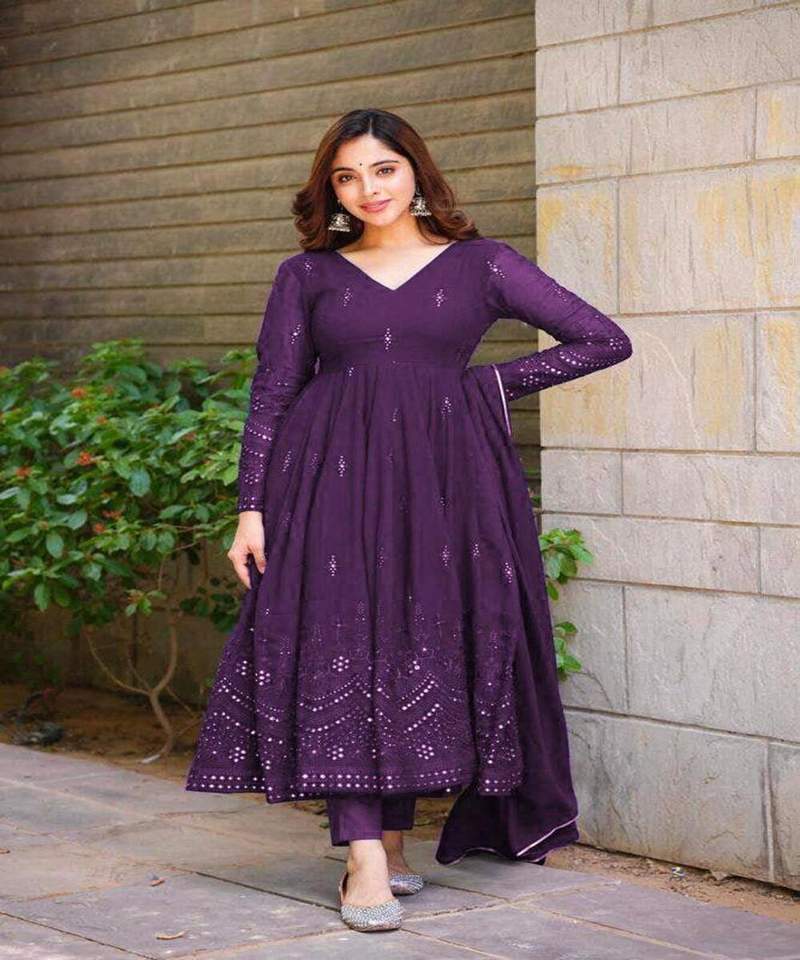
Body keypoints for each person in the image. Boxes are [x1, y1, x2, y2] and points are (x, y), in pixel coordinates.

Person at [185, 108, 633, 932]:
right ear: (331, 191)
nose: (368, 189)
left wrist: (485, 386)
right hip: (324, 482)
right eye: (347, 177)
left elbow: (602, 339)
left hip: (445, 483)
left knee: (413, 641)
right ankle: (362, 858)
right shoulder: (308, 275)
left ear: (417, 172)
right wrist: (251, 508)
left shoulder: (482, 264)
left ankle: (390, 842)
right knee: (339, 641)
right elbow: (273, 393)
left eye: (383, 169)